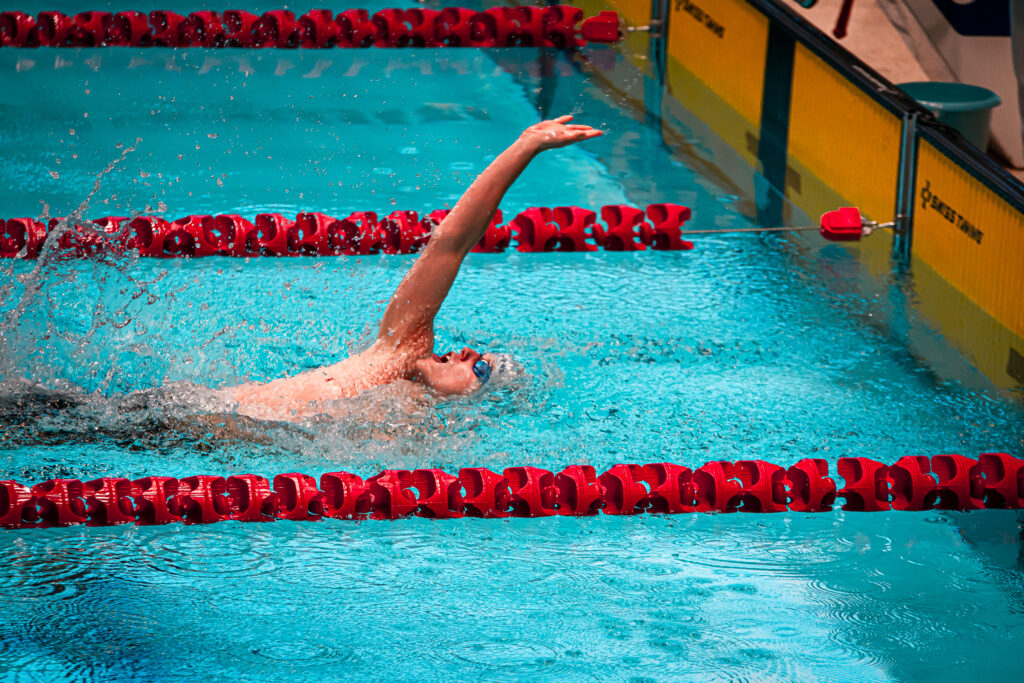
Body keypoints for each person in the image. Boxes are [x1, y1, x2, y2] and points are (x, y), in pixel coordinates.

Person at [228, 115, 603, 422]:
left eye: (480, 369)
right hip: (184, 416)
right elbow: (450, 244)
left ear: (474, 401)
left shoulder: (412, 432)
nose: (466, 350)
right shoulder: (402, 354)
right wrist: (527, 145)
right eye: (479, 355)